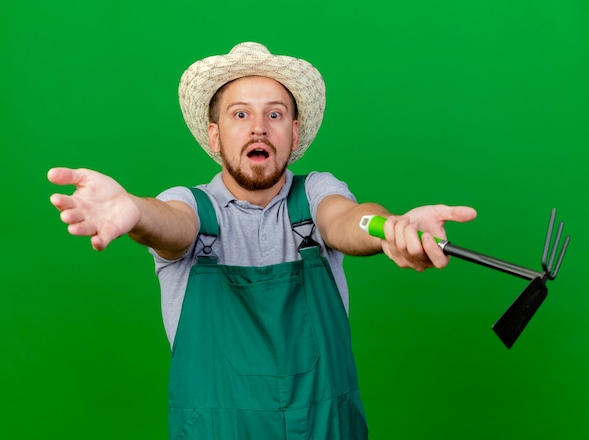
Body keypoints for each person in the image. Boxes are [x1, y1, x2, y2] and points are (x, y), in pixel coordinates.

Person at [48, 42, 477, 439]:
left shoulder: (315, 195)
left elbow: (348, 219)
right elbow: (172, 224)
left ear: (293, 130)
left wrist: (391, 228)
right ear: (215, 135)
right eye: (240, 115)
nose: (258, 129)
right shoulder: (188, 205)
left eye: (274, 115)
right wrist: (136, 211)